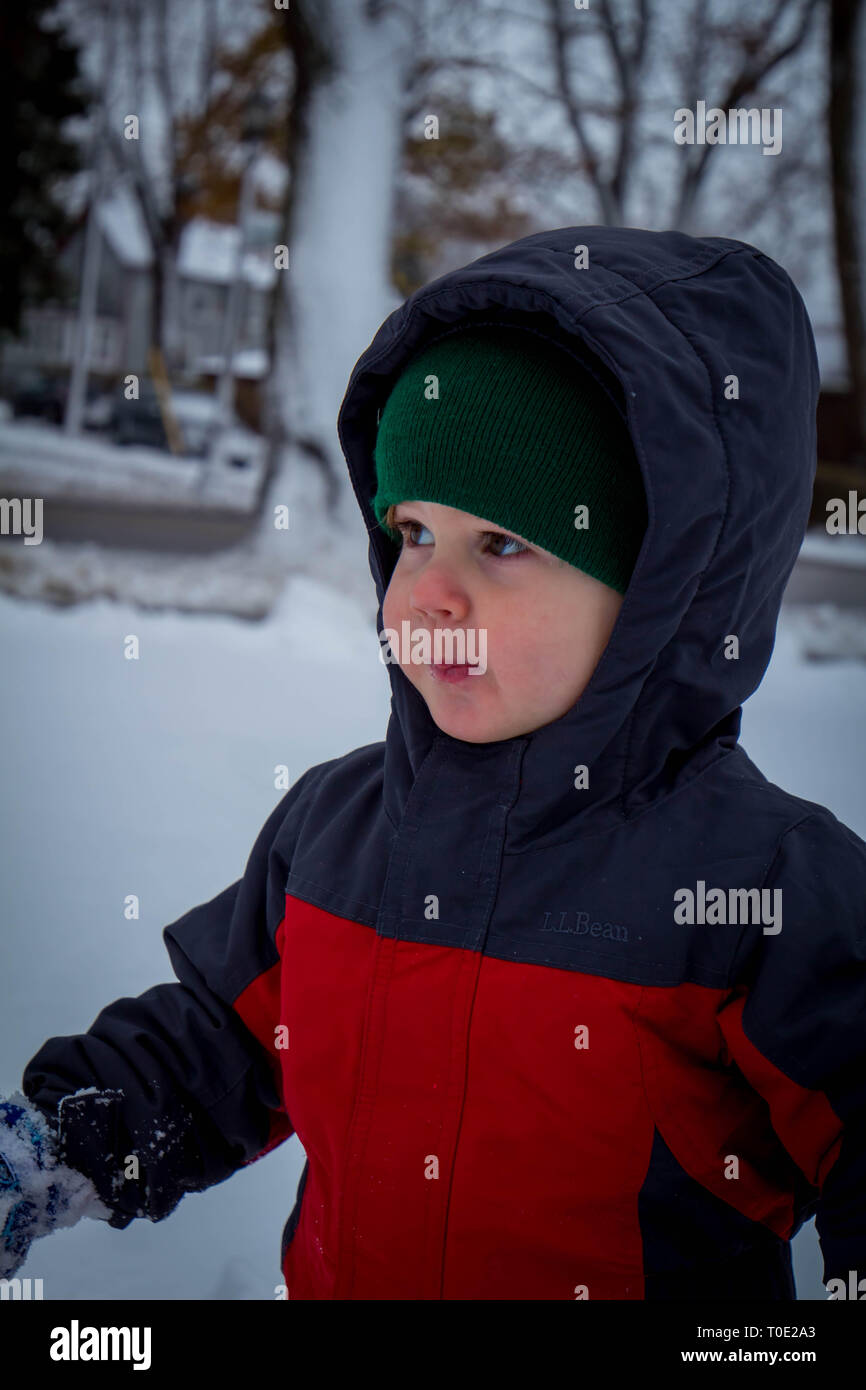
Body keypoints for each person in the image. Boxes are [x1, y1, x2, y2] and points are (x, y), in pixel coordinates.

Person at [4, 224, 865, 1300]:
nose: (426, 594)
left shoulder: (762, 886)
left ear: (659, 591)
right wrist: (48, 1145)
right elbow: (214, 1051)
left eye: (500, 544)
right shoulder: (333, 833)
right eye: (410, 531)